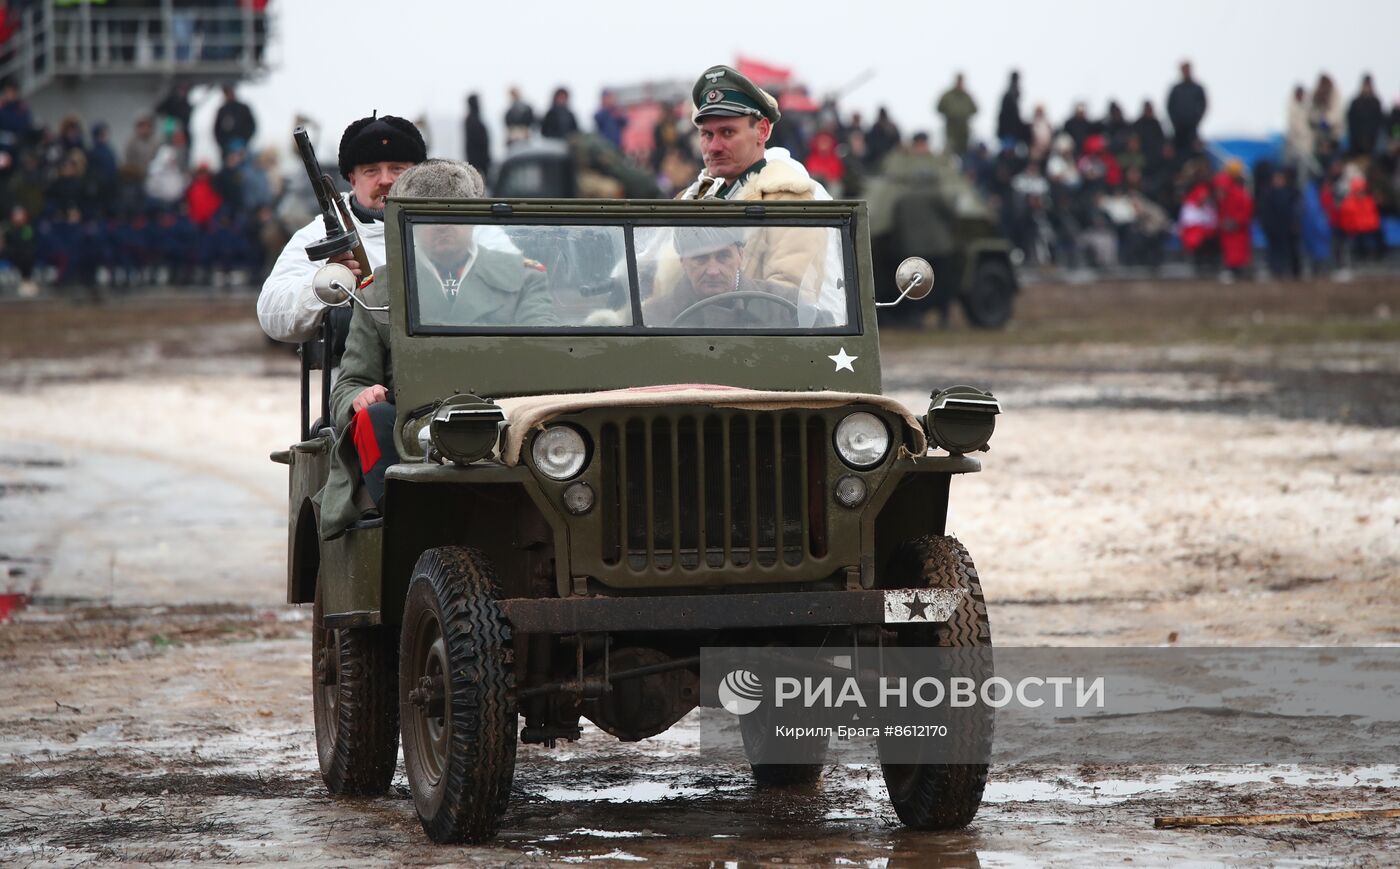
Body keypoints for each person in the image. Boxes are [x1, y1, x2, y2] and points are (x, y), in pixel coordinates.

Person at [318, 160, 554, 538]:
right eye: (427, 218)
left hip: (504, 421)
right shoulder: (381, 291)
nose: (442, 226)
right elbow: (348, 386)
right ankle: (406, 528)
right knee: (369, 419)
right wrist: (361, 397)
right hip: (409, 432)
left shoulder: (523, 277)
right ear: (406, 224)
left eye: (454, 215)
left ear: (474, 219)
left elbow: (544, 355)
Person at [257, 113, 425, 343]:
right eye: (371, 170)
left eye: (397, 169)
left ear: (416, 175)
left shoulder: (442, 229)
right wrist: (328, 282)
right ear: (352, 179)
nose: (385, 180)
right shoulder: (320, 233)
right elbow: (271, 312)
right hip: (354, 376)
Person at [673, 64, 828, 299]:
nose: (713, 147)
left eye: (727, 133)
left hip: (748, 335)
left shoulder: (788, 201)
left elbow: (791, 301)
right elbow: (655, 291)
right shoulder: (690, 198)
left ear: (762, 131)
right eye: (707, 134)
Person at [643, 226, 796, 327]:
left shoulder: (784, 306)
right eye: (700, 258)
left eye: (723, 256)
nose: (713, 271)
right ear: (683, 262)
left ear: (740, 256)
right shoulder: (654, 317)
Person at [1166, 61, 1207, 153]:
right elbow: (1170, 107)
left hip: (1192, 129)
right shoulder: (1176, 89)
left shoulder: (1197, 89)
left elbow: (1203, 105)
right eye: (1184, 70)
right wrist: (1176, 122)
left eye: (1187, 70)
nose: (1186, 72)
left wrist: (1196, 119)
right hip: (1178, 130)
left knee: (1195, 151)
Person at [935, 73, 977, 156]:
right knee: (950, 151)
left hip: (964, 130)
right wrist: (950, 113)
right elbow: (939, 108)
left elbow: (975, 109)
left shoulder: (967, 96)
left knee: (965, 152)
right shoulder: (948, 96)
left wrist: (964, 114)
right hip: (951, 129)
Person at [213, 84, 256, 160]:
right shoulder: (222, 110)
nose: (228, 95)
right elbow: (217, 130)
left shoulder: (243, 108)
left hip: (242, 146)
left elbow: (251, 126)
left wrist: (244, 140)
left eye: (230, 92)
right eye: (226, 92)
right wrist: (223, 144)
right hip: (227, 149)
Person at [1346, 74, 1383, 158]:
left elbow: (1379, 123)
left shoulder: (1376, 103)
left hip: (1372, 143)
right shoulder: (1355, 102)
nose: (1366, 87)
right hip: (1356, 144)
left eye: (1368, 84)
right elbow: (1351, 123)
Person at [463, 93, 491, 177]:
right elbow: (478, 140)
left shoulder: (472, 118)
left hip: (477, 159)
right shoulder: (472, 119)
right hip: (478, 160)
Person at [996, 70, 1026, 147]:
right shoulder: (1011, 94)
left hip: (1010, 130)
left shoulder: (1011, 93)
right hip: (1009, 131)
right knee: (1008, 152)